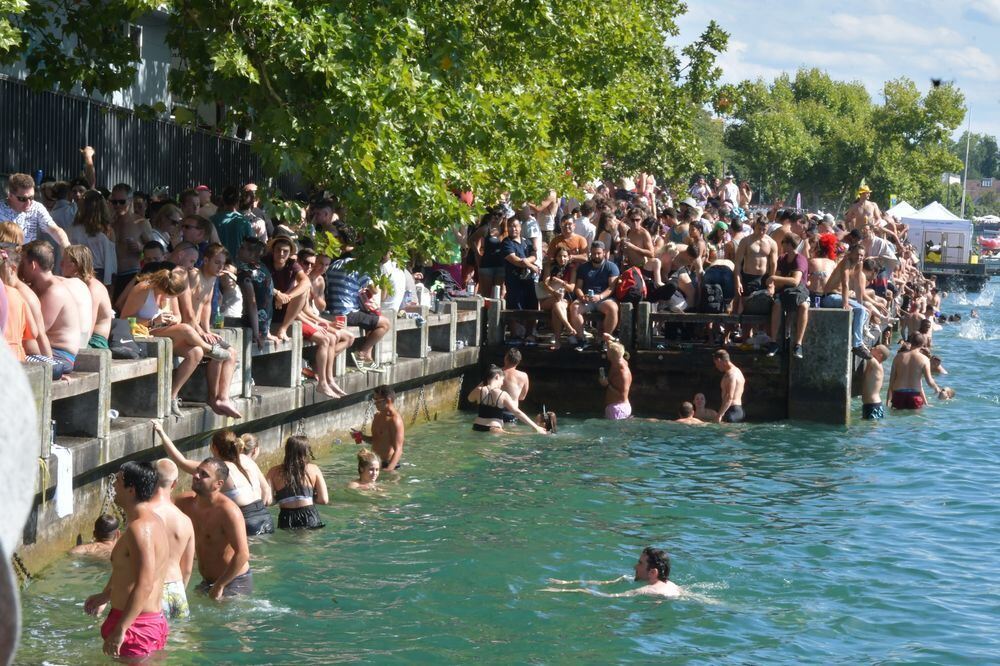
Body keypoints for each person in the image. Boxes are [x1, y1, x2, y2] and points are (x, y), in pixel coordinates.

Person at [83, 462, 170, 660]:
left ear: (131, 490)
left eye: (119, 481)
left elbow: (145, 583)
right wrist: (106, 595)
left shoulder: (141, 528)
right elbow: (127, 570)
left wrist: (122, 627)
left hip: (137, 625)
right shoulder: (150, 521)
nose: (113, 486)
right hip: (141, 621)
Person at [153, 423, 274, 535]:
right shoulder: (246, 459)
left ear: (214, 448)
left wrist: (162, 433)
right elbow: (266, 490)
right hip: (265, 517)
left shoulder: (218, 469)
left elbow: (181, 461)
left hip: (245, 520)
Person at [174, 458, 252, 599]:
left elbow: (243, 553)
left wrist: (220, 585)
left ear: (218, 484)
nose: (196, 476)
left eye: (204, 474)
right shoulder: (184, 502)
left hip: (234, 581)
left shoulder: (228, 511)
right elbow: (158, 507)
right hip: (207, 581)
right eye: (197, 471)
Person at [18, 240, 80, 379]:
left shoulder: (54, 292)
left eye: (23, 263)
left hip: (61, 356)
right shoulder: (39, 287)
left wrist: (51, 366)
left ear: (33, 265)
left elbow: (35, 333)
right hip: (50, 352)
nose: (20, 268)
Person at [149, 459, 195, 619]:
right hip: (177, 589)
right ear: (175, 483)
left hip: (153, 590)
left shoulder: (144, 516)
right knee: (180, 641)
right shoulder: (185, 520)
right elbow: (188, 569)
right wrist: (180, 589)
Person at [545, 546, 682, 598]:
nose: (635, 567)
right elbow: (607, 583)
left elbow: (609, 596)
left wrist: (567, 591)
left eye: (640, 564)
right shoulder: (671, 585)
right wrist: (567, 582)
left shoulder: (648, 590)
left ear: (653, 573)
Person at [266, 435, 329, 529]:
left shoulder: (273, 472)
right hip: (309, 515)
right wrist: (308, 497)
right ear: (305, 451)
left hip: (286, 516)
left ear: (287, 450)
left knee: (289, 543)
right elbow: (323, 499)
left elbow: (268, 501)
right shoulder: (314, 469)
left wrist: (282, 497)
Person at [568, 242, 620, 350]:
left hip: (604, 298)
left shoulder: (611, 267)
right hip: (587, 298)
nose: (596, 256)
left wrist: (600, 297)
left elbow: (611, 287)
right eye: (594, 253)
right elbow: (578, 287)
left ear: (604, 252)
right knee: (574, 307)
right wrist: (582, 296)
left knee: (613, 308)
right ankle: (582, 339)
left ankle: (606, 339)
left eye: (599, 253)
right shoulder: (584, 267)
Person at [765, 234, 809, 359]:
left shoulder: (800, 259)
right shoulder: (782, 259)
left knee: (804, 306)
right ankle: (774, 343)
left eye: (783, 242)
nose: (782, 244)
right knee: (777, 304)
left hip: (799, 292)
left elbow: (795, 281)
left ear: (789, 244)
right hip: (785, 292)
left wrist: (773, 278)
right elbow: (780, 281)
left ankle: (798, 345)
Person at [61, 245, 113, 350]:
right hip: (80, 336)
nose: (61, 264)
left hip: (96, 342)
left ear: (76, 264)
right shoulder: (78, 284)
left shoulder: (93, 288)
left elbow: (88, 326)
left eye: (64, 261)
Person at [469, 365, 547, 433]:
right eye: (502, 380)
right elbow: (517, 412)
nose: (502, 383)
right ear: (497, 377)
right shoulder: (503, 395)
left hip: (477, 427)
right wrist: (535, 427)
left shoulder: (479, 390)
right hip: (494, 429)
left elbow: (470, 399)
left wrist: (483, 385)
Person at [1, 173, 71, 248]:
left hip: (26, 257)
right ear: (10, 195)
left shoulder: (37, 208)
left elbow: (54, 230)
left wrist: (67, 249)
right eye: (23, 199)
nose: (28, 203)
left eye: (31, 197)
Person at [888, 333, 948, 410]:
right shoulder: (924, 359)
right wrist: (936, 387)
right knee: (915, 420)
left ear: (911, 342)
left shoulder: (898, 357)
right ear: (923, 344)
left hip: (898, 394)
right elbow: (929, 381)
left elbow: (891, 381)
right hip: (914, 396)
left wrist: (888, 400)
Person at [352, 384, 405, 470]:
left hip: (389, 464)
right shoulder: (377, 416)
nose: (375, 403)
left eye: (377, 400)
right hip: (375, 464)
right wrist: (361, 436)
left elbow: (398, 450)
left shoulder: (395, 420)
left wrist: (389, 469)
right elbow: (375, 440)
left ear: (388, 400)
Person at [211, 186, 254, 258]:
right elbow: (251, 246)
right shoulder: (244, 222)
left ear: (223, 200)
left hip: (217, 263)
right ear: (238, 201)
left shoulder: (212, 220)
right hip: (238, 264)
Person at [600, 334, 632, 420]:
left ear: (610, 355)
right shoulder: (621, 360)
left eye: (607, 352)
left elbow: (622, 395)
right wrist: (610, 340)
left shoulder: (622, 373)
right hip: (617, 407)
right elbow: (618, 349)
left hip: (618, 408)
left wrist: (607, 385)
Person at [714, 349, 745, 423]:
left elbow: (729, 397)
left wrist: (719, 415)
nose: (716, 366)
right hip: (739, 411)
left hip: (732, 411)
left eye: (716, 363)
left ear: (719, 360)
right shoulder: (738, 371)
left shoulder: (730, 374)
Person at [500, 349, 530, 424]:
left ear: (505, 358)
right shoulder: (524, 376)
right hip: (512, 412)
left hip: (495, 412)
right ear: (519, 361)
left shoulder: (496, 373)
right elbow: (522, 397)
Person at [862, 344, 890, 420]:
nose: (872, 347)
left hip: (873, 405)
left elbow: (865, 353)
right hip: (870, 404)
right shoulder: (874, 364)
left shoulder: (877, 365)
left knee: (872, 430)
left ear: (880, 355)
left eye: (875, 348)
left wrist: (859, 344)